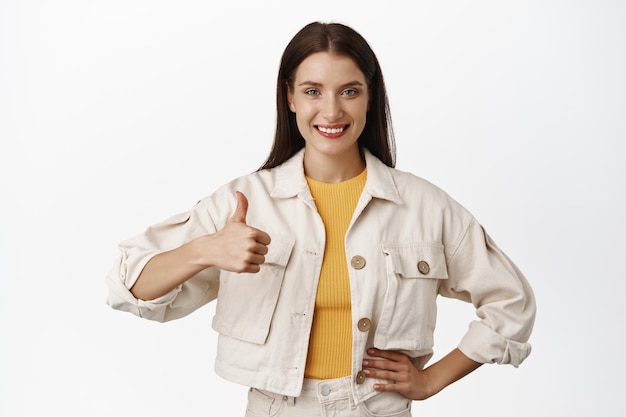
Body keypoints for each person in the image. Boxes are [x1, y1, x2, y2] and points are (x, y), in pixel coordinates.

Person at [106, 21, 536, 417]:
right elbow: (128, 288)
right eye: (313, 91)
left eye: (349, 91)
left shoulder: (425, 206)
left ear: (370, 97)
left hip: (378, 408)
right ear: (289, 97)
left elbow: (510, 303)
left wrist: (431, 380)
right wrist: (204, 249)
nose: (331, 112)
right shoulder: (247, 200)